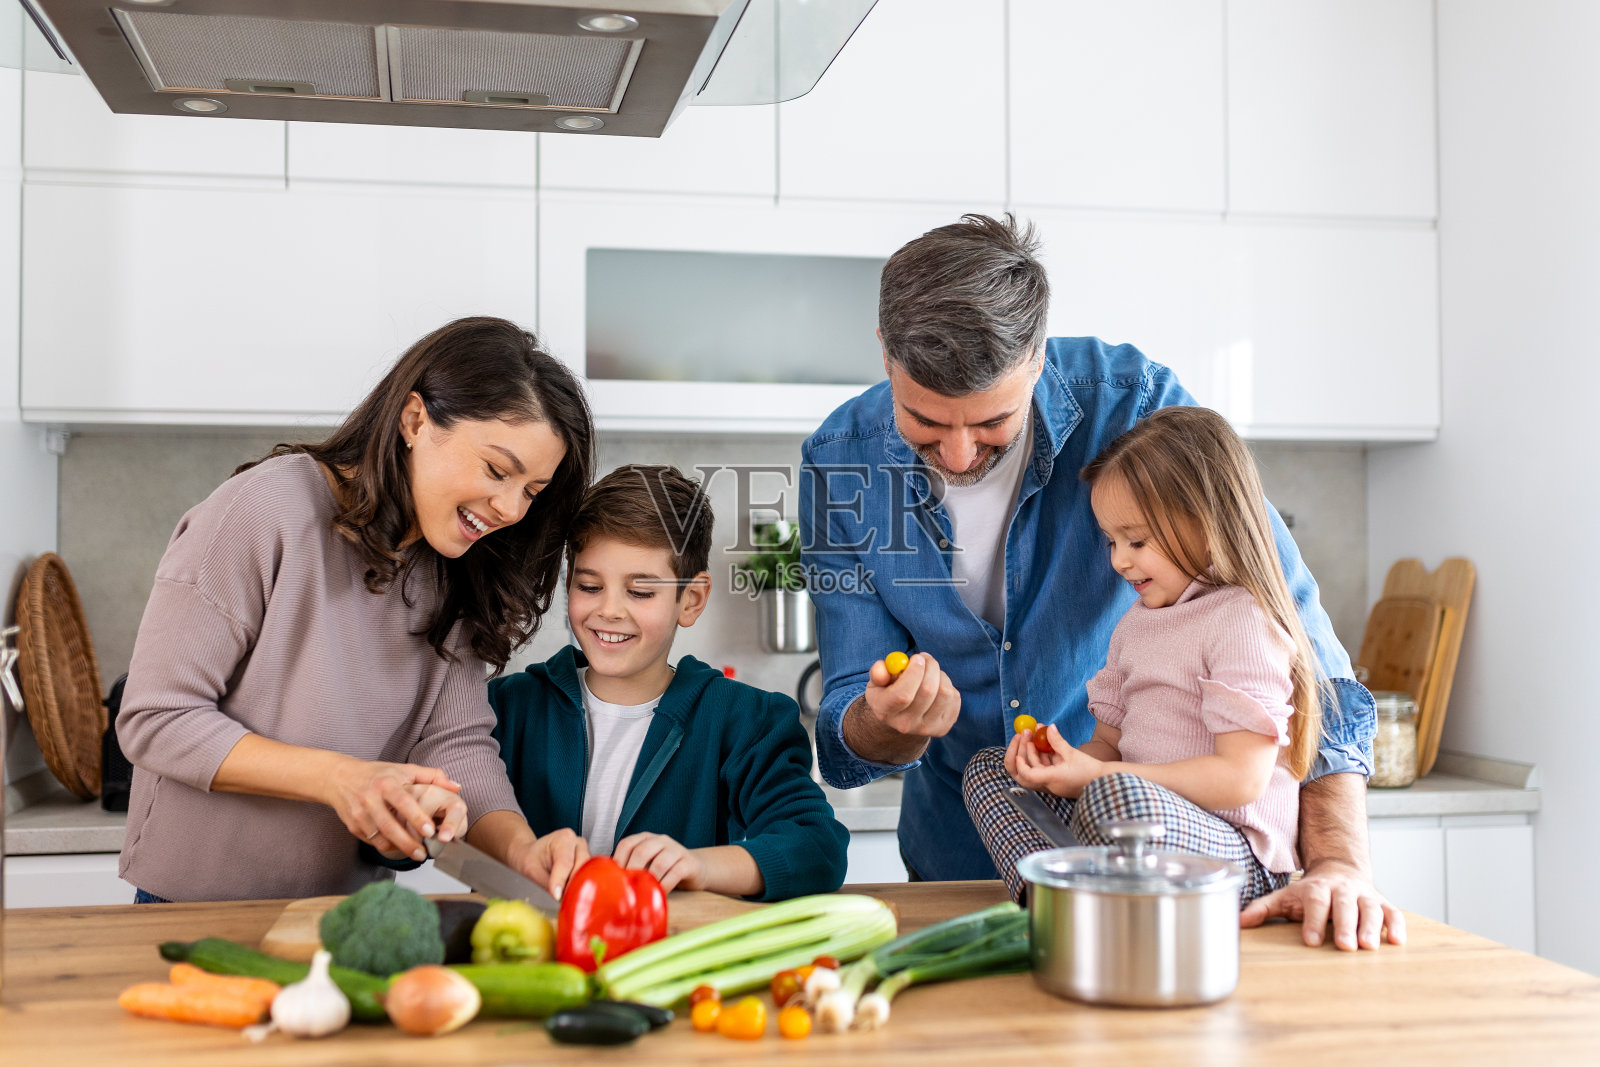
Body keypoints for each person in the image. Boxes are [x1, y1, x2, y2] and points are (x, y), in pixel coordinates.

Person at [800, 213, 1405, 950]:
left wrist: (1338, 858)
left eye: (992, 423)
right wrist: (885, 722)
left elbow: (1299, 638)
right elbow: (846, 729)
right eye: (925, 424)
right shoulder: (841, 462)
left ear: (1036, 356)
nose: (957, 456)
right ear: (885, 356)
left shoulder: (1137, 407)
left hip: (1177, 853)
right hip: (960, 857)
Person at [117, 316, 595, 902]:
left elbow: (456, 741)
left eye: (533, 491)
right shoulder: (265, 511)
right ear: (416, 420)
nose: (510, 509)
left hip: (345, 917)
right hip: (191, 907)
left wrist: (521, 850)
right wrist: (342, 779)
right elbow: (155, 718)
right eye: (497, 470)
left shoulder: (457, 566)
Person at [963, 405, 1321, 905]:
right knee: (990, 773)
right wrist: (1063, 763)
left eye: (1137, 540)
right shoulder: (1135, 625)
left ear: (1207, 521)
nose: (1119, 560)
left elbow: (1242, 779)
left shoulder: (1241, 620)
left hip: (1237, 854)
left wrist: (1103, 778)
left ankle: (1098, 891)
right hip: (1140, 831)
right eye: (1111, 541)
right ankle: (1060, 904)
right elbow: (1109, 748)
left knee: (1117, 798)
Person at [487, 464, 849, 900]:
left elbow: (818, 848)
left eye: (640, 592)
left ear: (691, 600)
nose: (610, 610)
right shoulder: (508, 707)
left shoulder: (746, 720)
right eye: (589, 586)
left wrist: (699, 865)